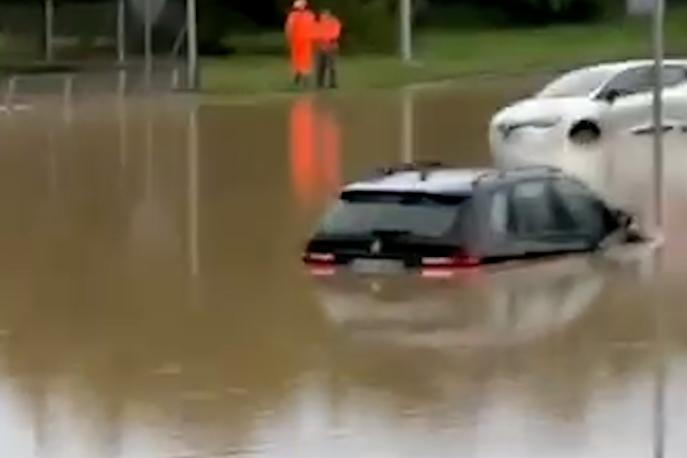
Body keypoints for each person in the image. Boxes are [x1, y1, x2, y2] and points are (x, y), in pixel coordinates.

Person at [285, 0, 316, 88]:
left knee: (300, 60)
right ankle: (301, 80)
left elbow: (289, 28)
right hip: (304, 40)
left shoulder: (293, 16)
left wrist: (289, 38)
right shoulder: (310, 15)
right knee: (304, 60)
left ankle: (300, 80)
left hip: (299, 41)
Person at [316, 9, 342, 89]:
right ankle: (320, 83)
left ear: (328, 15)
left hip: (331, 46)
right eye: (322, 16)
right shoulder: (319, 23)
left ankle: (332, 83)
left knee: (331, 66)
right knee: (321, 66)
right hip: (321, 46)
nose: (322, 17)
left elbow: (335, 33)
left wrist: (328, 42)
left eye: (324, 15)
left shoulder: (334, 22)